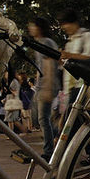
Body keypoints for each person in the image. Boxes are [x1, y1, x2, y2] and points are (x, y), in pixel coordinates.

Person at [58, 9, 90, 142]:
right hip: (72, 88)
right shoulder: (70, 41)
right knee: (79, 125)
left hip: (83, 88)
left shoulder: (87, 37)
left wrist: (69, 56)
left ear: (75, 23)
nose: (64, 27)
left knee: (71, 126)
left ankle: (60, 158)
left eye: (66, 23)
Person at [29, 18, 60, 160]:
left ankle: (49, 151)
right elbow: (39, 67)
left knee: (43, 119)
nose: (30, 28)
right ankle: (60, 134)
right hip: (42, 85)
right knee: (40, 118)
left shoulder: (46, 42)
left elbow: (49, 66)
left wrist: (47, 86)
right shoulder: (40, 43)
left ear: (39, 28)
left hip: (47, 85)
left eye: (32, 25)